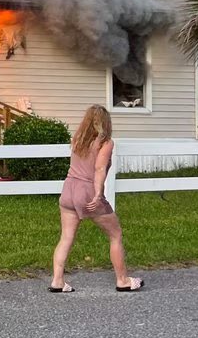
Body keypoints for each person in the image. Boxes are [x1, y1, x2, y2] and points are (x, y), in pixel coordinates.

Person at [49, 104, 144, 293]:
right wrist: (98, 193)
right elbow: (100, 168)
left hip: (68, 189)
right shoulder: (105, 142)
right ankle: (123, 280)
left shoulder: (77, 139)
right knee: (115, 234)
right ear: (105, 123)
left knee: (66, 237)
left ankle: (57, 281)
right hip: (87, 190)